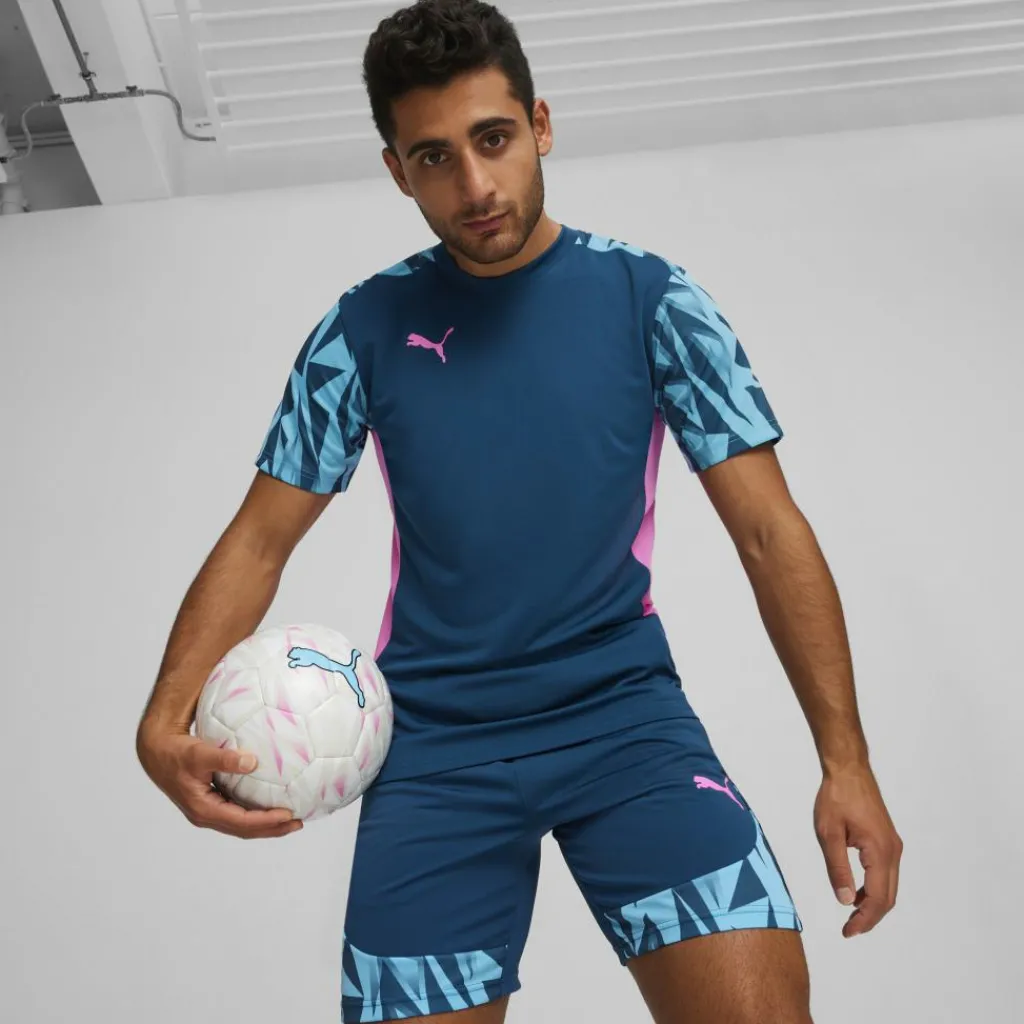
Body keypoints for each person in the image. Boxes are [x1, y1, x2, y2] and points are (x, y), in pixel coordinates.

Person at [136, 2, 903, 1021]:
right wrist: (161, 720)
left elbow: (769, 533)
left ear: (540, 123)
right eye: (435, 157)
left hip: (625, 722)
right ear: (397, 171)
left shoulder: (652, 301)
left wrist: (846, 763)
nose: (475, 185)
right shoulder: (360, 330)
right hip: (433, 748)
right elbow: (260, 538)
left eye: (492, 138)